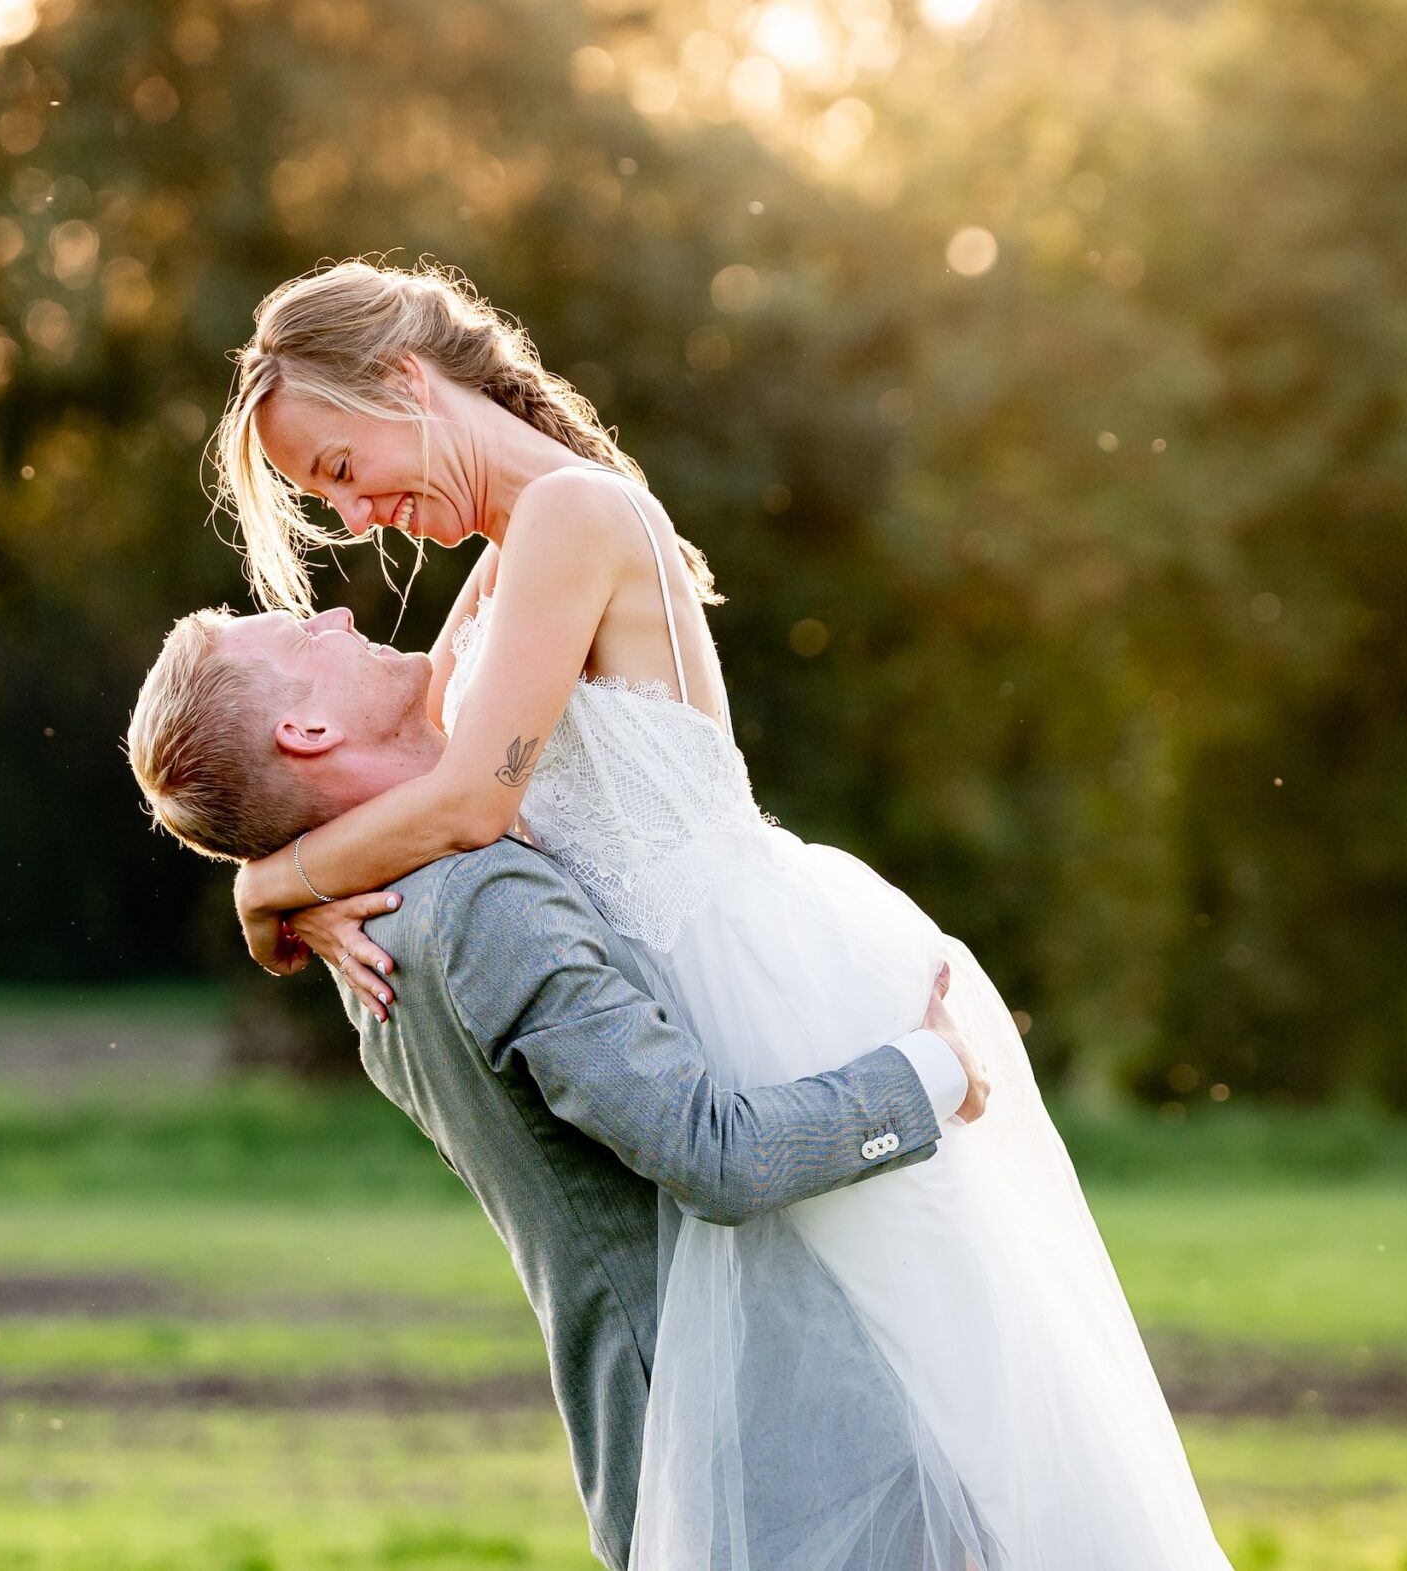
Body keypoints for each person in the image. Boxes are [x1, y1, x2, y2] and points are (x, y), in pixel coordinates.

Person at [197, 257, 1230, 1568]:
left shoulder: (573, 514)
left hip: (755, 975)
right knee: (831, 1422)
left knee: (937, 1404)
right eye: (324, 496)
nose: (350, 514)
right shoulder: (498, 577)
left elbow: (467, 800)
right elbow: (427, 799)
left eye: (340, 466)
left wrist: (272, 880)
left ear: (406, 379)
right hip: (694, 984)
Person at [126, 601, 993, 1569]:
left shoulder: (382, 914)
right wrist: (932, 1071)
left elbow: (534, 519)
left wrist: (271, 881)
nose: (334, 611)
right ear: (307, 730)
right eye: (300, 635)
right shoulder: (477, 904)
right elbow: (717, 1156)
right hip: (770, 1460)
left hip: (721, 1453)